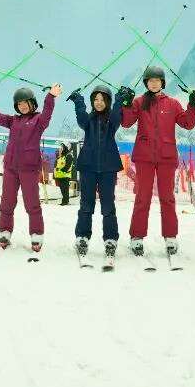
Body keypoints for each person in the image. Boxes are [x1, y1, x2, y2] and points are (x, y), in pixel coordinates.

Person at [120, 66, 195, 258]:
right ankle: (137, 237)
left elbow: (188, 124)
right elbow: (126, 122)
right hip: (144, 157)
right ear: (146, 83)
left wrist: (192, 105)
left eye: (157, 80)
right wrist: (126, 104)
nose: (154, 83)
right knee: (143, 197)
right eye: (151, 80)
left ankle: (170, 237)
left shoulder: (172, 104)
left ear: (163, 83)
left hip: (166, 157)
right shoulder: (139, 102)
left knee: (168, 198)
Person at [0, 84, 61, 252]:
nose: (22, 106)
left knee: (32, 203)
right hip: (11, 168)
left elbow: (48, 112)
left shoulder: (39, 121)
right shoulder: (13, 121)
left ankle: (36, 235)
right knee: (7, 202)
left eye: (25, 102)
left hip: (29, 169)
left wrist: (51, 96)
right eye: (19, 103)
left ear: (32, 103)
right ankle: (4, 232)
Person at [68, 84, 124, 260]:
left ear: (108, 101)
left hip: (108, 168)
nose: (99, 102)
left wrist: (120, 99)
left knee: (108, 205)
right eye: (96, 99)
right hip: (88, 167)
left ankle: (110, 239)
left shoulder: (112, 121)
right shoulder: (88, 120)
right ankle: (82, 237)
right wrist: (78, 101)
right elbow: (81, 118)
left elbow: (117, 116)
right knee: (86, 204)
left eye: (102, 99)